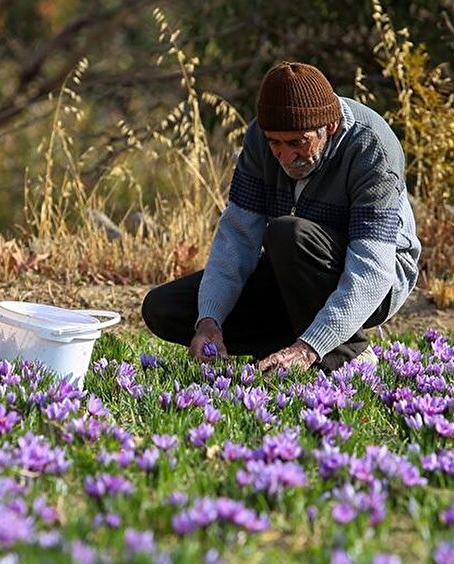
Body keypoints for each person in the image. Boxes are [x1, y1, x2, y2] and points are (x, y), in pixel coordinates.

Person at [141, 61, 421, 373]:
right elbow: (237, 238)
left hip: (374, 283)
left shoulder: (371, 147)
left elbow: (372, 270)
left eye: (297, 143)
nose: (285, 157)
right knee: (165, 308)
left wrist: (308, 348)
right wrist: (210, 323)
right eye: (275, 142)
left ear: (328, 127)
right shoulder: (259, 139)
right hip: (292, 274)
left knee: (288, 234)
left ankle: (345, 353)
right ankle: (297, 339)